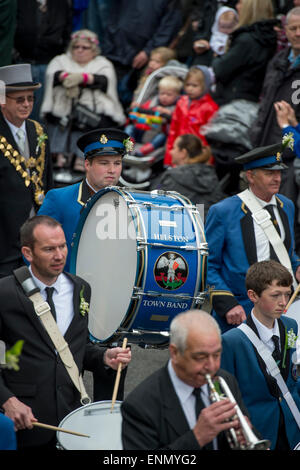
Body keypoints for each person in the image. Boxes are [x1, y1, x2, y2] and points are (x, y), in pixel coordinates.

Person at [0, 215, 131, 449]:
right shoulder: (5, 293)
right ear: (28, 253)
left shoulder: (81, 288)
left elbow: (71, 346)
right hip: (25, 419)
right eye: (49, 249)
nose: (59, 256)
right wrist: (6, 401)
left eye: (62, 246)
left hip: (71, 417)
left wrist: (102, 356)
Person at [38, 128, 131, 401]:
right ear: (87, 164)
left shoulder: (129, 203)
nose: (112, 170)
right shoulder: (59, 199)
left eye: (117, 163)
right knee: (64, 381)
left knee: (111, 388)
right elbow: (35, 246)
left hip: (111, 305)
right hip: (66, 301)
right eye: (104, 163)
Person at [121, 309, 261, 450]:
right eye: (200, 357)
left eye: (217, 355)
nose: (212, 366)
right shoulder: (139, 405)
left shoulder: (225, 380)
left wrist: (245, 439)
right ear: (174, 352)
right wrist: (197, 437)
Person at [205, 141, 300, 333]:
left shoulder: (286, 206)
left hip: (283, 307)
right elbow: (207, 264)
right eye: (269, 173)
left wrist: (297, 267)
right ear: (250, 176)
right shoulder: (223, 211)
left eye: (279, 173)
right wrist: (226, 303)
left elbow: (287, 253)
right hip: (241, 311)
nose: (277, 178)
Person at [221, 260, 300, 450]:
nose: (283, 302)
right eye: (275, 295)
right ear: (253, 295)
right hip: (259, 431)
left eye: (287, 294)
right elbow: (226, 395)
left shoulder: (291, 325)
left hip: (292, 426)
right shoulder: (231, 341)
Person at [40, 29, 126, 172]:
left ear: (93, 50)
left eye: (84, 48)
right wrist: (65, 78)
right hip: (62, 113)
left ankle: (82, 164)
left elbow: (105, 81)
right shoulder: (60, 60)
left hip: (90, 116)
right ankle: (59, 163)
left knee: (84, 142)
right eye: (76, 47)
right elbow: (52, 75)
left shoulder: (103, 63)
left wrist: (83, 79)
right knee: (58, 142)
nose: (80, 50)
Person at [0, 63, 53, 279]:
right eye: (19, 99)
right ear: (2, 101)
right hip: (4, 238)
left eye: (30, 98)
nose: (26, 104)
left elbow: (48, 179)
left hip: (35, 235)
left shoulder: (37, 129)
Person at [100, 0, 182, 107]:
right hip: (115, 48)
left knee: (132, 95)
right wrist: (111, 37)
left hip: (143, 56)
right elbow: (110, 13)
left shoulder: (171, 3)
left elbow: (169, 25)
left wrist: (148, 51)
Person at [250, 6, 300, 169]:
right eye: (293, 28)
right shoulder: (278, 59)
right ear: (285, 30)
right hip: (263, 144)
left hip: (290, 154)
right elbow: (264, 102)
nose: (298, 33)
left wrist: (288, 150)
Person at [211, 0, 278, 106]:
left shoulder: (247, 40)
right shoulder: (268, 36)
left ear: (250, 8)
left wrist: (217, 58)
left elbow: (220, 68)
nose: (237, 6)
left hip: (234, 100)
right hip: (251, 98)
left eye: (241, 3)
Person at [151, 133, 225, 216]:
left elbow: (155, 200)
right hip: (203, 226)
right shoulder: (211, 175)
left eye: (174, 148)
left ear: (183, 153)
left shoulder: (172, 177)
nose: (171, 152)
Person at [164, 65, 219, 166]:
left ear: (205, 86)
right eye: (188, 85)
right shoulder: (181, 102)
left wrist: (207, 162)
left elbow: (211, 140)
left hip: (197, 157)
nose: (190, 89)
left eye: (194, 86)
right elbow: (173, 131)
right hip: (179, 153)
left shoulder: (210, 108)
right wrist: (169, 159)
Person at [127, 75, 182, 157]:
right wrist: (136, 107)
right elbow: (139, 113)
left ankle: (144, 151)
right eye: (162, 93)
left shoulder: (177, 108)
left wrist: (169, 113)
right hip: (142, 130)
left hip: (156, 135)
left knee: (162, 137)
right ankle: (128, 147)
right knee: (129, 128)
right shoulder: (152, 102)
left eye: (169, 95)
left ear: (177, 96)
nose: (164, 97)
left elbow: (179, 121)